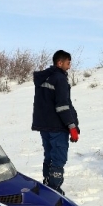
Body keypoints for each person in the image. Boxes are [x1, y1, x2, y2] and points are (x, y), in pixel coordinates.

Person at [32, 50, 79, 194]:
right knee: (58, 158)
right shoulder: (59, 78)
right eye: (68, 63)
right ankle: (54, 189)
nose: (69, 66)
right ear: (60, 63)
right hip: (57, 126)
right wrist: (72, 126)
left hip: (44, 126)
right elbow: (62, 106)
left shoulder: (44, 78)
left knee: (49, 156)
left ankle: (47, 183)